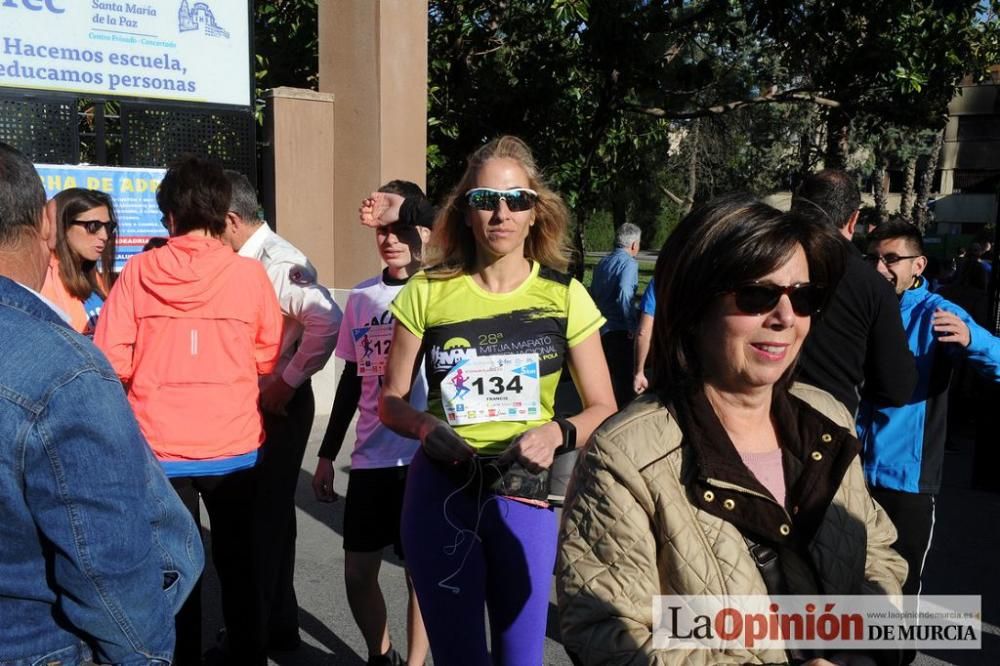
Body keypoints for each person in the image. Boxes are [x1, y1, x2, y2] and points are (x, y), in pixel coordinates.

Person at [558, 195, 906, 665]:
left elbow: (876, 552)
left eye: (803, 297)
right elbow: (608, 635)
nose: (785, 318)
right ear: (696, 307)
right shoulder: (627, 454)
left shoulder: (828, 419)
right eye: (757, 295)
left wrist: (863, 653)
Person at [378, 136, 616, 665]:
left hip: (522, 494)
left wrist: (557, 432)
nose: (501, 213)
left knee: (520, 659)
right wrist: (422, 428)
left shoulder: (564, 295)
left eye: (517, 201)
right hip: (442, 493)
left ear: (537, 213)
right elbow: (389, 400)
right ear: (465, 212)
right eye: (485, 200)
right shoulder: (427, 291)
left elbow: (604, 407)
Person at [0, 142, 203, 664]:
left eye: (107, 226)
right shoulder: (62, 364)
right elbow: (107, 569)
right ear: (50, 224)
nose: (102, 235)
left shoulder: (112, 282)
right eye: (88, 225)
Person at [94, 155, 283, 666]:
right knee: (241, 566)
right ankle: (249, 656)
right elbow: (268, 353)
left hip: (160, 448)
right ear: (223, 212)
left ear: (169, 216)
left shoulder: (137, 273)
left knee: (173, 570)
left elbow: (112, 359)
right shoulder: (248, 277)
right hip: (236, 446)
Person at [857, 219, 1000, 663]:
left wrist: (973, 338)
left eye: (891, 258)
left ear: (917, 264)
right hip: (852, 473)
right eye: (874, 258)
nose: (880, 267)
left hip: (907, 479)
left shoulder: (935, 311)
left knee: (898, 591)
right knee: (850, 584)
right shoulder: (864, 306)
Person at [219, 170, 341, 651]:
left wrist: (286, 383)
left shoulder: (277, 261)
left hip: (277, 404)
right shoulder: (247, 259)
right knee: (268, 520)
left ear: (231, 219)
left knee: (262, 521)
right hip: (260, 401)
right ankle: (277, 623)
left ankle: (254, 634)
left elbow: (326, 319)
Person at [312, 180, 432, 666]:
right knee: (358, 572)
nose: (390, 238)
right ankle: (380, 655)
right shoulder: (362, 297)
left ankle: (417, 663)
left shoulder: (438, 289)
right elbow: (349, 383)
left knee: (419, 573)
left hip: (422, 455)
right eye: (382, 229)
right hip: (369, 458)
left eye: (401, 227)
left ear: (420, 229)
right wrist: (326, 453)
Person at [791, 169, 916, 415]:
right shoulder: (873, 286)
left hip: (748, 418)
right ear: (852, 220)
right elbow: (896, 387)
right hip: (827, 427)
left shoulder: (761, 262)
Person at [40, 188, 117, 334]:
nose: (104, 236)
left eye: (108, 227)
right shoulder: (45, 279)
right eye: (93, 226)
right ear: (63, 225)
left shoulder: (95, 277)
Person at [589, 221, 641, 405]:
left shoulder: (603, 263)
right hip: (620, 329)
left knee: (606, 380)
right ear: (634, 245)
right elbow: (625, 292)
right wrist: (632, 324)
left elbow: (593, 293)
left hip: (601, 328)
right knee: (625, 382)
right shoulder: (629, 264)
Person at [632, 276, 656, 394]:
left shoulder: (661, 279)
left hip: (670, 363)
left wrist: (639, 372)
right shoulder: (710, 275)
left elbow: (643, 331)